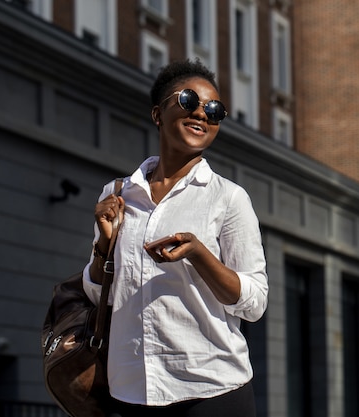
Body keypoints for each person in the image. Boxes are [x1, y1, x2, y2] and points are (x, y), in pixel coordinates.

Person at [82, 58, 269, 417]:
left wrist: (200, 255)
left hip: (210, 391)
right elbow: (99, 296)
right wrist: (104, 246)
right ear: (157, 114)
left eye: (214, 110)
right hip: (132, 390)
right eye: (188, 101)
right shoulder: (118, 193)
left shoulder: (228, 198)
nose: (201, 113)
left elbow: (254, 302)